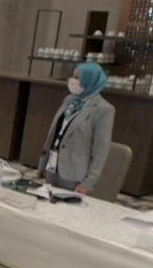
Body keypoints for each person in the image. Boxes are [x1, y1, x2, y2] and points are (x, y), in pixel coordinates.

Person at [39, 62, 114, 194]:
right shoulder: (69, 100)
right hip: (52, 166)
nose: (73, 81)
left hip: (74, 174)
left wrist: (89, 182)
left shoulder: (103, 109)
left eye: (78, 78)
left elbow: (100, 151)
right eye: (73, 76)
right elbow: (54, 134)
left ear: (89, 80)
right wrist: (42, 163)